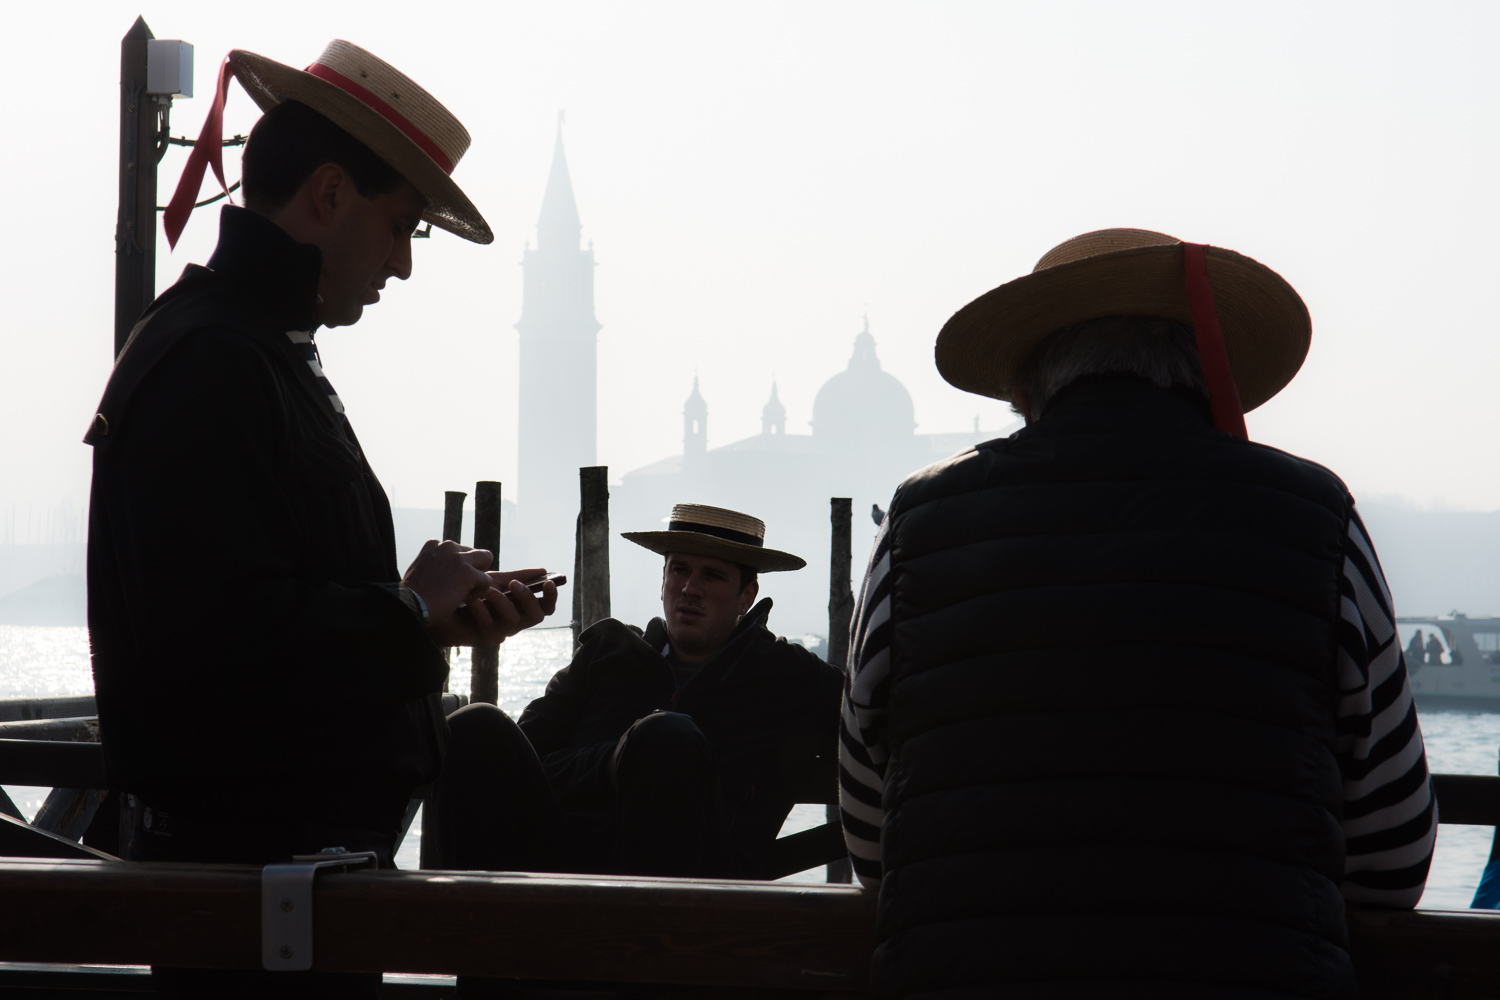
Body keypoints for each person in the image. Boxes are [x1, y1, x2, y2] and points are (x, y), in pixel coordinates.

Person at [838, 229, 1436, 998]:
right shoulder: (1319, 518)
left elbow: (867, 832)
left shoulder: (917, 521)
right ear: (1208, 371)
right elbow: (1393, 856)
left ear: (1027, 382)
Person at [85, 41, 557, 997]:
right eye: (400, 226)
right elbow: (217, 643)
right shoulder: (216, 363)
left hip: (295, 893)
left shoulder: (247, 352)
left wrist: (422, 614)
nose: (404, 264)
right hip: (254, 902)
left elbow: (263, 615)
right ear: (331, 195)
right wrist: (406, 612)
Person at [433, 504, 843, 881]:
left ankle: (643, 950)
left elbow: (886, 720)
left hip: (705, 892)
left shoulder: (786, 673)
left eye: (712, 575)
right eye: (680, 570)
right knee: (473, 725)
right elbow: (530, 767)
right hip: (567, 868)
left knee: (668, 738)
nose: (690, 588)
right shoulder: (604, 654)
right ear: (662, 582)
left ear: (746, 597)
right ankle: (465, 936)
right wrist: (610, 763)